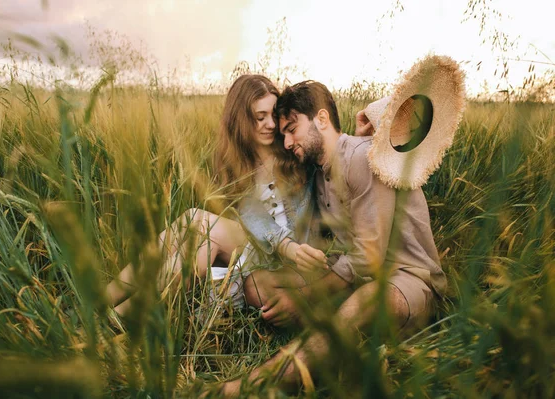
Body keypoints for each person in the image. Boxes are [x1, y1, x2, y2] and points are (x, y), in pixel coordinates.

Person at [220, 80, 447, 396]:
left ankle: (263, 382)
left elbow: (369, 259)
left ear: (322, 120)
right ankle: (341, 336)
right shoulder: (319, 171)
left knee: (368, 297)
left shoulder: (365, 157)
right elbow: (261, 200)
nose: (285, 142)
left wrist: (304, 297)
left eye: (291, 129)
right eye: (282, 133)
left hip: (406, 282)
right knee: (258, 285)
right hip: (355, 279)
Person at [105, 75, 338, 324]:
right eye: (260, 117)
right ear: (240, 119)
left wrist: (356, 134)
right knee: (193, 223)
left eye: (273, 114)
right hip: (260, 242)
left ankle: (118, 317)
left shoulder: (294, 149)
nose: (270, 124)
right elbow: (251, 216)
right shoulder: (236, 161)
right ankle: (106, 303)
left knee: (201, 227)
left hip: (292, 252)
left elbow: (331, 150)